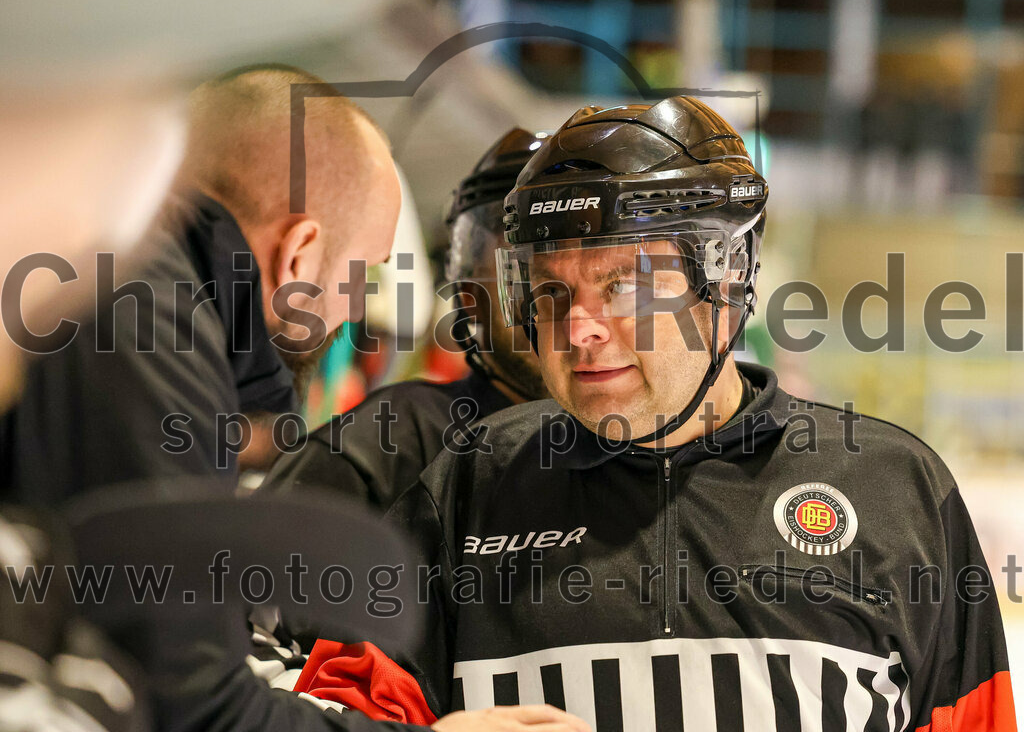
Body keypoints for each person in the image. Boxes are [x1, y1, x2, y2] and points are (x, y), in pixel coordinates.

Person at [297, 96, 1016, 731]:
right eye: (551, 293)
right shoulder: (465, 489)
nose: (577, 328)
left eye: (621, 286)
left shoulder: (897, 492)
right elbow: (334, 710)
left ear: (724, 280)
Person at [0, 63, 402, 501]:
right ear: (297, 256)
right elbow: (162, 566)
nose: (356, 308)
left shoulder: (129, 275)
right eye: (360, 272)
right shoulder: (156, 323)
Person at [261, 127, 549, 507]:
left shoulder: (648, 442)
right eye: (526, 273)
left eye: (615, 284)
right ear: (469, 295)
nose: (575, 315)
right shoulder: (388, 446)